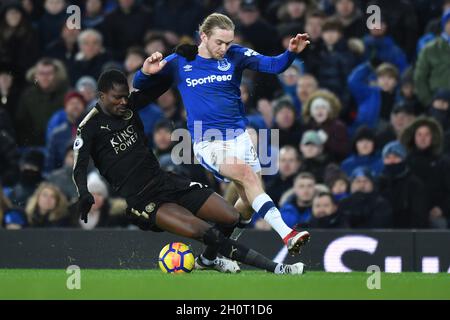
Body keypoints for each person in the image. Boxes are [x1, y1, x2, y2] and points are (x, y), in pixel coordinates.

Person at [71, 68, 306, 275]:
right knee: (207, 233)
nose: (123, 102)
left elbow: (162, 85)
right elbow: (79, 166)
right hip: (144, 200)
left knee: (231, 217)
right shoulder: (88, 127)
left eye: (125, 96)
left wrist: (177, 58)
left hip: (165, 180)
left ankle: (208, 260)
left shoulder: (129, 106)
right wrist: (83, 192)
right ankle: (278, 268)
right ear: (101, 96)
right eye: (117, 98)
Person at [133, 13, 311, 256]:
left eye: (228, 42)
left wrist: (291, 53)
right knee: (249, 177)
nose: (224, 48)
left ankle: (210, 257)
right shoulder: (180, 62)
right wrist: (145, 70)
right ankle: (288, 234)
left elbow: (273, 65)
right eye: (219, 42)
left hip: (239, 137)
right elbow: (140, 83)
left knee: (247, 203)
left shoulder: (236, 55)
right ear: (203, 36)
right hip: (209, 141)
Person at [378, 141, 428, 228]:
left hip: (408, 234)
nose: (392, 161)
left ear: (404, 159)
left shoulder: (414, 184)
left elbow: (419, 216)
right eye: (388, 158)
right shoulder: (378, 183)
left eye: (396, 157)